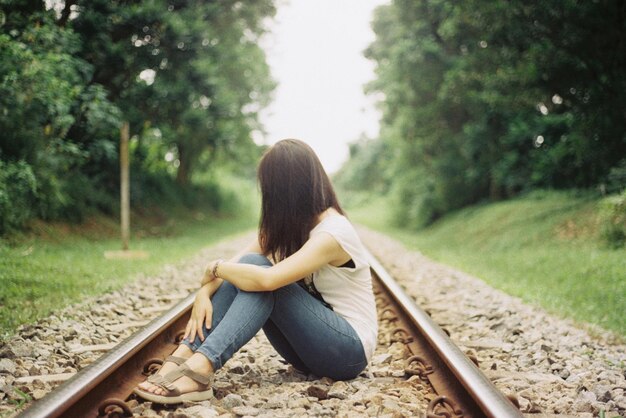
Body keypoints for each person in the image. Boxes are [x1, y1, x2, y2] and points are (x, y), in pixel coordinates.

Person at [134, 138, 378, 404]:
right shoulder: (291, 226)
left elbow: (265, 278)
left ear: (288, 191)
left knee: (260, 276)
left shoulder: (333, 232)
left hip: (348, 352)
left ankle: (202, 368)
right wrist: (203, 293)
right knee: (250, 266)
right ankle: (181, 358)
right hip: (307, 352)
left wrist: (214, 267)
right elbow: (239, 263)